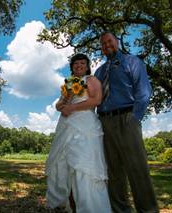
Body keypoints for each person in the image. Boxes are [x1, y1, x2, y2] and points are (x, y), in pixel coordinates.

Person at [94, 32, 159, 213]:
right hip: (105, 122)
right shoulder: (99, 72)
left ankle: (148, 210)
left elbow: (144, 92)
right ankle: (120, 210)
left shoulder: (132, 62)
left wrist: (134, 118)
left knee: (137, 169)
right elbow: (93, 97)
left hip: (127, 118)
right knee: (114, 173)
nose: (106, 45)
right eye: (103, 44)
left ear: (117, 42)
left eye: (109, 41)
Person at [45, 53, 111, 213]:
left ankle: (90, 207)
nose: (79, 66)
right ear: (72, 67)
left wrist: (72, 108)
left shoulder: (92, 80)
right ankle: (71, 204)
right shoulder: (68, 83)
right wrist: (63, 103)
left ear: (87, 66)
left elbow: (96, 100)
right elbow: (59, 104)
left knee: (83, 164)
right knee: (63, 163)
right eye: (76, 64)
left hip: (85, 126)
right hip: (66, 126)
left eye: (82, 63)